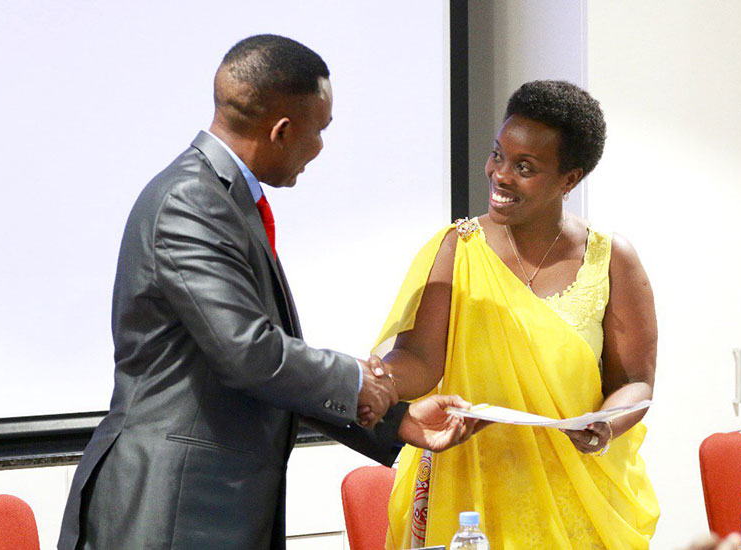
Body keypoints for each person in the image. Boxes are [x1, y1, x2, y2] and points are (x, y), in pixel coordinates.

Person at [57, 34, 482, 550]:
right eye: (319, 131)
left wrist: (397, 419)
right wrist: (355, 380)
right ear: (280, 130)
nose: (321, 148)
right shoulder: (190, 201)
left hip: (212, 507)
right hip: (172, 511)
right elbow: (248, 352)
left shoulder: (220, 197)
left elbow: (256, 368)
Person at [373, 80, 660, 549]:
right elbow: (420, 362)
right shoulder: (456, 249)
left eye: (524, 167)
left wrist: (604, 424)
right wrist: (369, 378)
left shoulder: (611, 259)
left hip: (580, 495)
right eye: (497, 155)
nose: (500, 175)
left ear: (570, 180)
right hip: (470, 491)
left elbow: (635, 381)